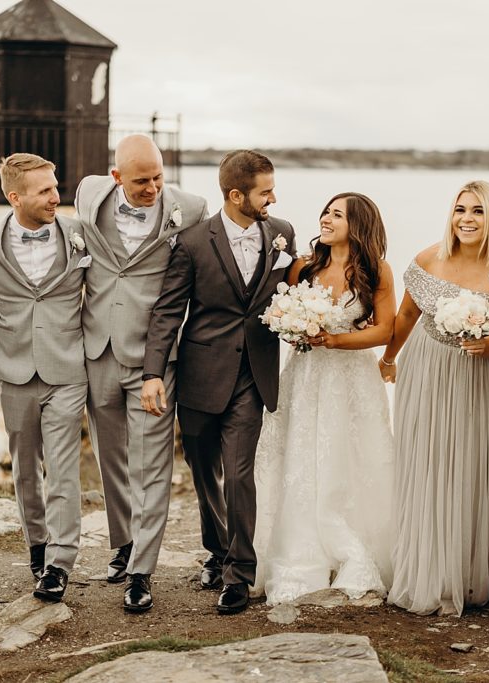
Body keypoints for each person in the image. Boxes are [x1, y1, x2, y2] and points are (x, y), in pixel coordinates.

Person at [141, 150, 296, 615]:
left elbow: (301, 284)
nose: (273, 198)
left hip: (255, 373)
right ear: (235, 195)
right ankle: (216, 549)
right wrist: (153, 373)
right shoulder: (191, 242)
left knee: (239, 472)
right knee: (203, 469)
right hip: (201, 374)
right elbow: (169, 311)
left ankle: (239, 574)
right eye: (265, 191)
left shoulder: (283, 234)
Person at [75, 135, 208, 613]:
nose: (153, 187)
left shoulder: (192, 209)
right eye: (141, 181)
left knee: (152, 465)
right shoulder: (89, 193)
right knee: (111, 460)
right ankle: (123, 543)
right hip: (98, 351)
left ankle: (141, 572)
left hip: (155, 361)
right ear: (117, 179)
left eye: (158, 177)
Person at [380, 180, 489, 616]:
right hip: (425, 367)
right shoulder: (428, 259)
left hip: (476, 378)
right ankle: (423, 571)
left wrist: (486, 344)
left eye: (478, 211)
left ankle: (467, 575)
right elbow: (405, 315)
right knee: (423, 463)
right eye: (460, 210)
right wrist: (388, 358)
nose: (467, 219)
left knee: (470, 466)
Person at [253, 192, 396, 605]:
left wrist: (336, 339)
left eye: (338, 214)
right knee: (300, 456)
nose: (326, 218)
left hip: (351, 377)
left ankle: (352, 548)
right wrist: (292, 325)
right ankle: (301, 552)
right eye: (326, 211)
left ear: (359, 226)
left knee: (350, 456)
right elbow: (280, 313)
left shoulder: (376, 271)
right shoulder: (303, 267)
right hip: (306, 374)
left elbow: (385, 330)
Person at [0, 153, 89, 603]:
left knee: (61, 470)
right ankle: (37, 542)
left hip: (66, 367)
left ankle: (60, 561)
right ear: (15, 196)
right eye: (44, 191)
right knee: (23, 469)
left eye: (56, 187)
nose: (56, 197)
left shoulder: (78, 233)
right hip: (14, 368)